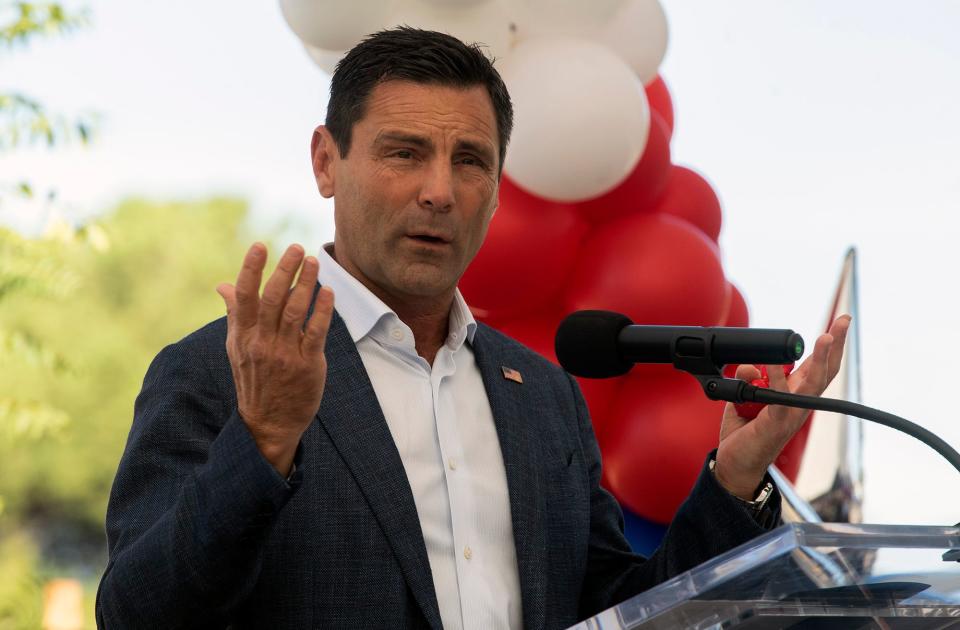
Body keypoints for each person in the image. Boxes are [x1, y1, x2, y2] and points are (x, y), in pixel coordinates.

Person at [96, 27, 850, 630]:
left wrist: (735, 478)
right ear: (327, 161)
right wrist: (262, 440)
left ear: (497, 187)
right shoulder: (217, 372)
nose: (439, 192)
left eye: (471, 161)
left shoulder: (544, 397)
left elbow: (619, 612)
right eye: (404, 153)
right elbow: (138, 614)